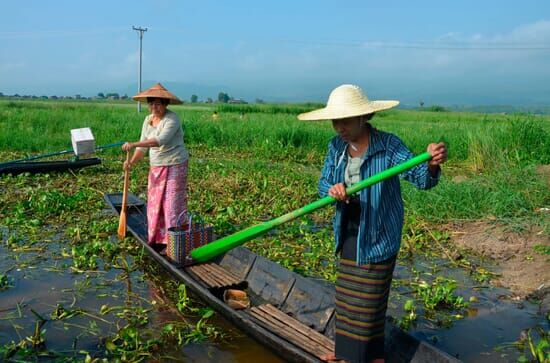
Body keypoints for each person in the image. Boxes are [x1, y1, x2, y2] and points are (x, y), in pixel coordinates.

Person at [297, 84, 447, 363]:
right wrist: (333, 190)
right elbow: (323, 184)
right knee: (347, 298)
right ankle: (347, 353)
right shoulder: (336, 147)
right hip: (349, 226)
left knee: (370, 300)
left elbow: (420, 178)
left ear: (363, 117)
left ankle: (368, 356)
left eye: (345, 120)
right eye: (335, 121)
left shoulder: (388, 146)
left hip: (379, 231)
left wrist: (431, 164)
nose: (338, 127)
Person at [122, 83, 189, 251]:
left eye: (158, 103)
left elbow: (160, 140)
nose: (154, 107)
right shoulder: (147, 120)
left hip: (175, 163)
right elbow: (143, 148)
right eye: (151, 103)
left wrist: (134, 143)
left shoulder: (172, 119)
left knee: (172, 204)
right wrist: (131, 162)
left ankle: (174, 243)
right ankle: (158, 238)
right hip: (157, 166)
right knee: (154, 202)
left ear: (165, 104)